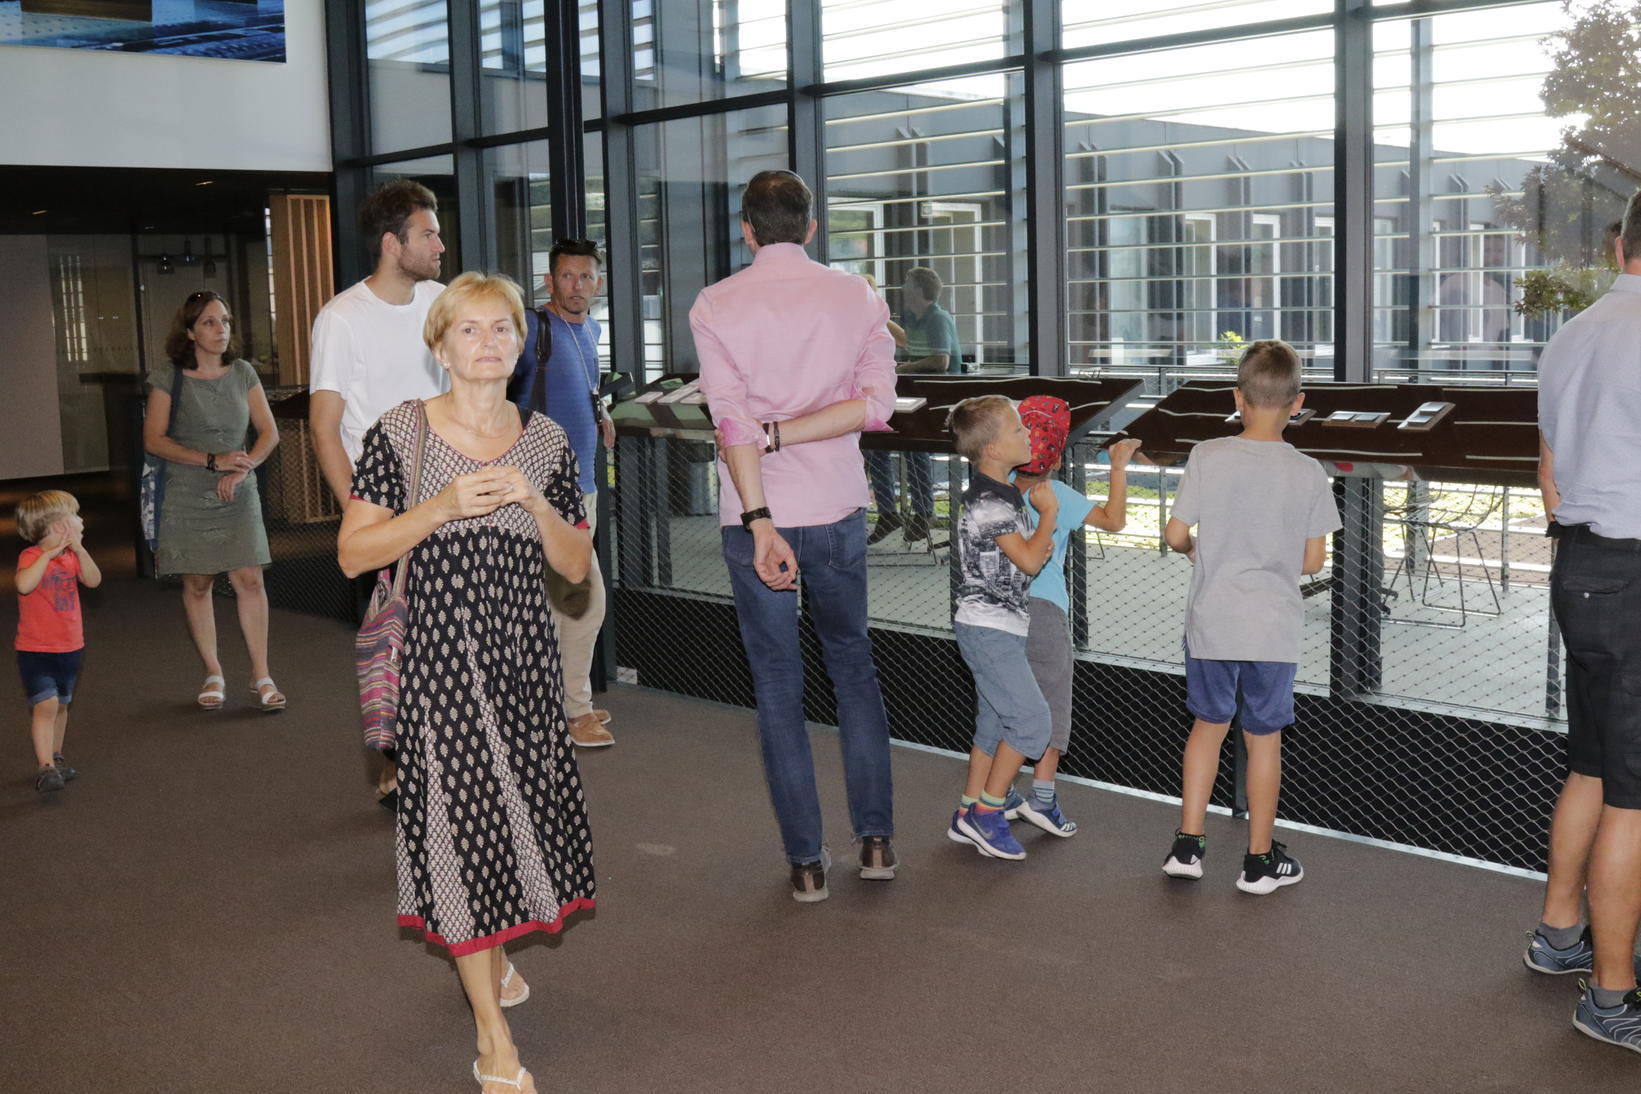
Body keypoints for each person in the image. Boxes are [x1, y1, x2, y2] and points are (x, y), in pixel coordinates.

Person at [337, 272, 595, 1094]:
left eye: (502, 329)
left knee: (514, 818)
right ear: (441, 347)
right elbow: (353, 552)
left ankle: (491, 953)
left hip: (523, 666)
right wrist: (442, 506)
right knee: (459, 832)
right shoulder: (401, 433)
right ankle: (493, 1039)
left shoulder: (546, 441)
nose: (488, 343)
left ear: (521, 345)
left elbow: (576, 567)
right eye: (470, 330)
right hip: (437, 670)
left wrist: (538, 507)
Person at [693, 169, 899, 902]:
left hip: (756, 518)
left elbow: (730, 420)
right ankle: (876, 843)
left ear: (746, 230)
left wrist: (760, 518)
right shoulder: (858, 296)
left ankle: (807, 864)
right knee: (853, 668)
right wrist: (787, 433)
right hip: (837, 507)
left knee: (779, 687)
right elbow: (876, 406)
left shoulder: (716, 303)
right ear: (811, 227)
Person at [1159, 339, 1339, 894]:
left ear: (1237, 398)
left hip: (1213, 620)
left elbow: (1175, 534)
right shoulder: (1308, 471)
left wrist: (1198, 550)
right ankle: (1259, 860)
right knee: (1264, 738)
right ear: (1298, 403)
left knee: (1207, 728)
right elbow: (1313, 561)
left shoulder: (1207, 455)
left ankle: (1188, 845)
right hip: (1272, 627)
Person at [1528, 188, 1641, 1054]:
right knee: (1634, 801)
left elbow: (1550, 476)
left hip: (1582, 569)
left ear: (1617, 247)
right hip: (1635, 575)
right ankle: (1608, 997)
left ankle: (1558, 933)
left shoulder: (1569, 336)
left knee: (1592, 767)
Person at [310, 178, 448, 808]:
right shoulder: (342, 317)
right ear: (394, 244)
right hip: (383, 503)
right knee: (395, 643)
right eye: (429, 234)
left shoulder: (443, 303)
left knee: (448, 640)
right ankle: (400, 765)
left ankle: (438, 763)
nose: (440, 245)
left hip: (449, 496)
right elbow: (324, 426)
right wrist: (359, 519)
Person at [1002, 395, 1142, 836]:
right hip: (1044, 610)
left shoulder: (999, 486)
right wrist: (1118, 467)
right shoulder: (1057, 494)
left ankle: (996, 794)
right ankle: (1042, 798)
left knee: (1006, 700)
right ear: (1058, 457)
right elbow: (1115, 520)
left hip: (998, 608)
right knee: (1052, 703)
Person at [143, 291, 284, 712]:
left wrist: (243, 468)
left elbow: (269, 433)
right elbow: (154, 440)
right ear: (189, 331)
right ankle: (213, 672)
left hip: (238, 489)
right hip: (188, 493)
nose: (220, 329)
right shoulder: (169, 376)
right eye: (208, 322)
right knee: (198, 583)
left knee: (250, 579)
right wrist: (211, 460)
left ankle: (261, 675)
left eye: (224, 320)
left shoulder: (242, 372)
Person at [509, 238, 616, 749]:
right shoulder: (533, 329)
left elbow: (582, 388)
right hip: (543, 493)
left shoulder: (590, 330)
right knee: (584, 600)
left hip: (583, 487)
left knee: (559, 602)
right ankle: (574, 711)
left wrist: (602, 413)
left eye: (586, 276)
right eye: (567, 276)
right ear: (549, 281)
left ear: (598, 282)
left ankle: (553, 702)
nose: (577, 286)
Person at [943, 395, 1057, 860]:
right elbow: (1029, 560)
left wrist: (1037, 539)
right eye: (1017, 429)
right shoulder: (991, 500)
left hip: (998, 626)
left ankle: (967, 809)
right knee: (1032, 724)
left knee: (994, 725)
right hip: (988, 628)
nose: (1028, 434)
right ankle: (987, 814)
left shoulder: (1001, 492)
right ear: (992, 449)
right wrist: (1049, 515)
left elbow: (1028, 556)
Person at [866, 266, 961, 545]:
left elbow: (941, 361)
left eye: (907, 284)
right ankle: (889, 512)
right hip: (914, 399)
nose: (902, 289)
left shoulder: (938, 319)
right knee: (876, 446)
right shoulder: (914, 318)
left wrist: (903, 367)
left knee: (914, 449)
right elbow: (909, 344)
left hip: (936, 404)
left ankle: (923, 512)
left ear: (918, 290)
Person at [14, 490, 101, 794]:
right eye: (75, 516)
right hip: (35, 650)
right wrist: (48, 555)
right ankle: (46, 767)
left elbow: (93, 580)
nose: (81, 521)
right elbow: (24, 585)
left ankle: (57, 756)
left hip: (70, 647)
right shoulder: (31, 557)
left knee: (62, 705)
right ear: (58, 526)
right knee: (46, 704)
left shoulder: (72, 557)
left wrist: (79, 550)